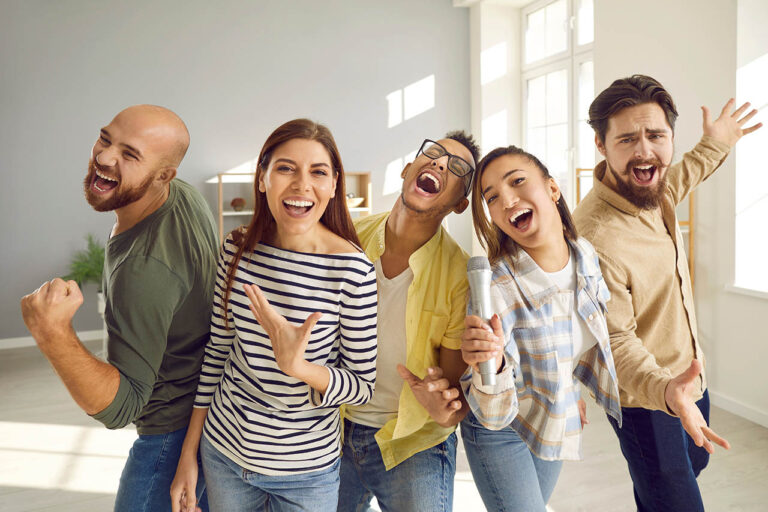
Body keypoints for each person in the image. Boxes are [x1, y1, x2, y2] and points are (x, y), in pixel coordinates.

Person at [573, 74, 762, 512]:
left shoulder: (653, 192)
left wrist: (718, 142)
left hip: (690, 375)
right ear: (601, 145)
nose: (644, 150)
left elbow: (684, 174)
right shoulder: (595, 236)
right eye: (626, 139)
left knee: (688, 468)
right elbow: (614, 339)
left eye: (655, 135)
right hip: (645, 400)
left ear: (671, 137)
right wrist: (667, 393)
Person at [170, 119, 377, 512]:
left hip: (306, 472)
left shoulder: (353, 271)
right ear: (262, 178)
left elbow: (361, 385)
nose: (301, 185)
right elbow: (217, 353)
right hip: (224, 454)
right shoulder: (236, 251)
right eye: (286, 168)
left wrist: (298, 367)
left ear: (334, 186)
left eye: (318, 172)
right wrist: (189, 454)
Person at [20, 105, 219, 511]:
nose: (105, 157)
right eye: (106, 138)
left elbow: (122, 406)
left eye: (130, 155)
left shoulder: (145, 268)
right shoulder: (182, 196)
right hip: (207, 416)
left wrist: (51, 333)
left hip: (172, 435)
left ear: (163, 175)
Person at [459, 145, 622, 511]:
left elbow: (575, 334)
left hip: (551, 414)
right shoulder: (495, 289)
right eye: (493, 198)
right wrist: (493, 364)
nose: (508, 199)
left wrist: (569, 389)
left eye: (517, 181)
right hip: (500, 428)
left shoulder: (585, 255)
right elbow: (491, 412)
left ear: (552, 189)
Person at [337, 133, 480, 512]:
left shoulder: (460, 275)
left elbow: (450, 394)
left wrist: (444, 407)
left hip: (412, 439)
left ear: (460, 204)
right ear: (406, 169)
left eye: (457, 168)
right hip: (332, 426)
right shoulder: (347, 239)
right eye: (433, 154)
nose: (439, 164)